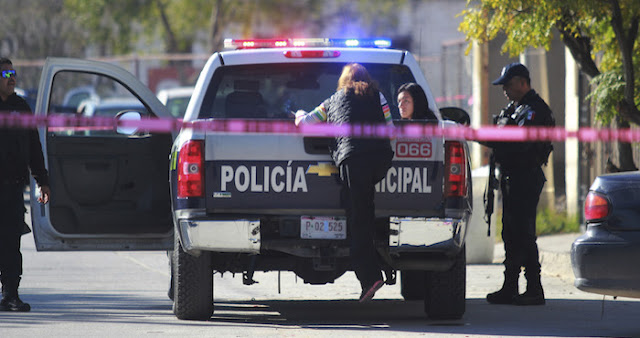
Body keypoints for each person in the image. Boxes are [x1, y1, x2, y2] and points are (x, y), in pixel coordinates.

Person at [295, 63, 394, 302]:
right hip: (380, 160)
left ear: (344, 80)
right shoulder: (378, 96)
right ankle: (370, 273)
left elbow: (305, 124)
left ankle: (370, 278)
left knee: (358, 218)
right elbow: (390, 129)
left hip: (354, 159)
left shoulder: (333, 100)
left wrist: (298, 114)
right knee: (363, 211)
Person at [482, 62, 555, 306]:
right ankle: (510, 286)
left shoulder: (534, 110)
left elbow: (519, 142)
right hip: (511, 177)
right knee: (510, 233)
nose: (504, 90)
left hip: (526, 176)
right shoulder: (514, 109)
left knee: (524, 233)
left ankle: (534, 287)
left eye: (508, 84)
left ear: (523, 83)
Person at [0, 57, 51, 312]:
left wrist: (42, 181)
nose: (11, 78)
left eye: (13, 73)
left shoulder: (21, 107)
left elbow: (33, 146)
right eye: (5, 73)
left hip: (12, 188)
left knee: (10, 242)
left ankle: (10, 295)